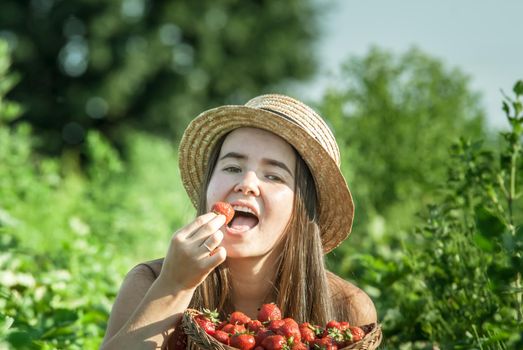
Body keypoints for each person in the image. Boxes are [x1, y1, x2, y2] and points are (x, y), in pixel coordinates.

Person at [101, 94, 377, 349]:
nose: (247, 184)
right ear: (208, 186)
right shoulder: (149, 283)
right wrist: (174, 287)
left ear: (302, 210)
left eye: (273, 176)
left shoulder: (347, 308)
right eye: (232, 168)